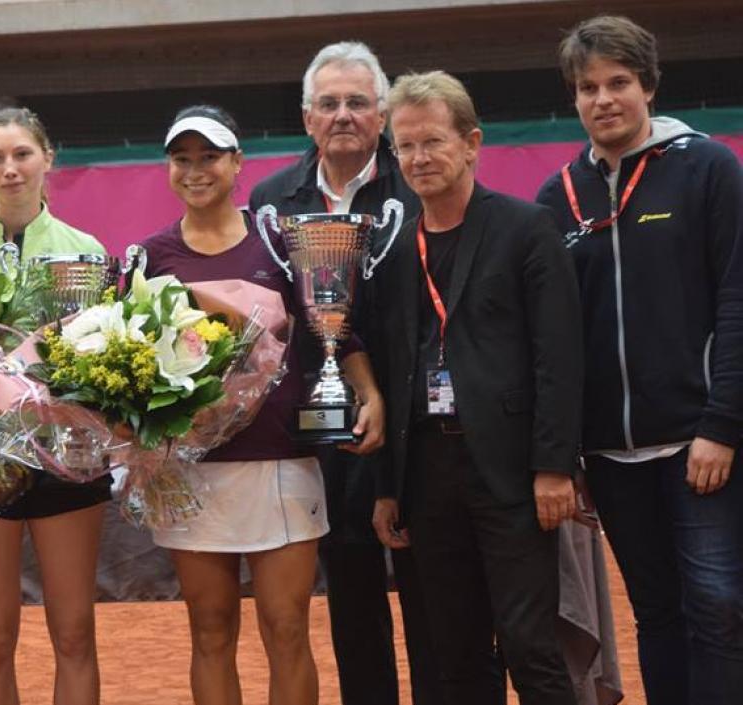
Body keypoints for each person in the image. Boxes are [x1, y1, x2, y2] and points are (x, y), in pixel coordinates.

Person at [142, 104, 383, 705]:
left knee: (286, 628)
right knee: (211, 630)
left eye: (210, 157)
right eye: (182, 159)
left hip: (281, 460)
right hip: (191, 471)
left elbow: (335, 330)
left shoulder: (279, 243)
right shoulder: (149, 257)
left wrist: (369, 391)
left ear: (237, 164)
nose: (196, 171)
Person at [535, 15, 743, 704]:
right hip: (612, 455)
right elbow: (555, 341)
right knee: (655, 611)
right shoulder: (558, 197)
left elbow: (737, 301)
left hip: (698, 445)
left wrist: (722, 424)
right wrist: (567, 451)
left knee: (717, 605)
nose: (603, 99)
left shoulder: (708, 169)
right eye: (586, 86)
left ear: (648, 85)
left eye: (618, 82)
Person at [368, 71, 582, 705]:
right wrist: (387, 485)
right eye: (404, 146)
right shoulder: (396, 248)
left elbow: (559, 358)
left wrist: (553, 467)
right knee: (455, 654)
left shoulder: (526, 228)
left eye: (432, 141)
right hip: (427, 474)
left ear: (472, 143)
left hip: (513, 472)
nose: (418, 158)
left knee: (529, 646)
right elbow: (392, 366)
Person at [247, 41, 440, 705]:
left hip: (418, 421)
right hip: (321, 424)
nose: (343, 114)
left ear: (383, 115)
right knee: (352, 597)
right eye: (328, 103)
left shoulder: (418, 183)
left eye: (358, 102)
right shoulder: (272, 200)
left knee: (435, 598)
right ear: (307, 118)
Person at [0, 107, 108, 705]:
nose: (11, 169)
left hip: (66, 458)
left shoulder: (86, 251)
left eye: (23, 155)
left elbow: (103, 361)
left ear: (48, 159)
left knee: (75, 634)